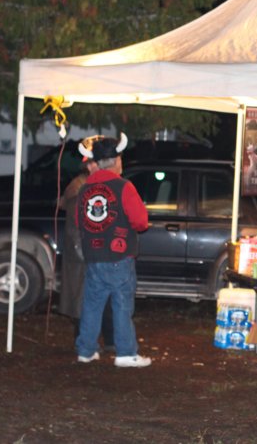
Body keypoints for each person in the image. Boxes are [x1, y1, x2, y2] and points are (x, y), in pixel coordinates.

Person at [75, 133, 152, 368]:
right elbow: (141, 222)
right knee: (121, 304)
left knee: (92, 304)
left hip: (93, 255)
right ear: (117, 160)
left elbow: (79, 222)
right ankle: (126, 353)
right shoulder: (124, 187)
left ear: (97, 163)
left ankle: (86, 350)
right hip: (119, 256)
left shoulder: (84, 189)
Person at [58, 139, 115, 350]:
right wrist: (87, 254)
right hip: (82, 254)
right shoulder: (80, 188)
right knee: (83, 299)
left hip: (91, 251)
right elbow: (76, 227)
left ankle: (108, 339)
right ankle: (84, 342)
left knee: (101, 297)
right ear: (90, 165)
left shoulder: (90, 186)